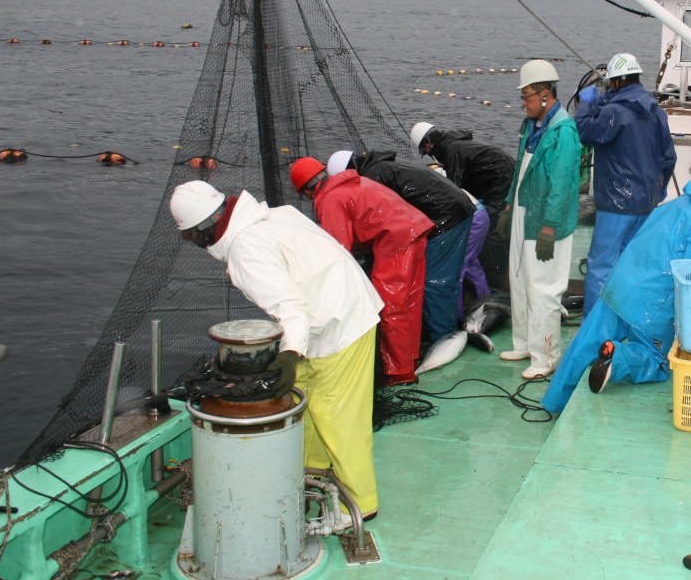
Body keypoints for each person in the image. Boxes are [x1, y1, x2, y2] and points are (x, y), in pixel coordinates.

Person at [170, 180, 383, 518]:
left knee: (339, 415)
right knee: (308, 400)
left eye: (194, 236)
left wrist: (289, 354)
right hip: (331, 310)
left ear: (205, 229)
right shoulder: (273, 215)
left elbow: (291, 306)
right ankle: (311, 470)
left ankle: (357, 505)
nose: (198, 243)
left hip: (342, 320)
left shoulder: (245, 248)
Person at [540, 158, 691, 414]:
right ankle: (616, 358)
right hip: (651, 304)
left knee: (584, 343)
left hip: (619, 286)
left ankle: (553, 403)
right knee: (658, 361)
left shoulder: (683, 202)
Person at [290, 157, 433, 386]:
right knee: (410, 302)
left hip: (395, 242)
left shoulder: (330, 198)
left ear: (306, 191)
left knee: (389, 305)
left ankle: (400, 372)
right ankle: (410, 358)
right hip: (416, 231)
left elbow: (339, 251)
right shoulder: (353, 182)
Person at [327, 149, 475, 342]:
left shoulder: (373, 176)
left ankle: (444, 338)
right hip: (452, 207)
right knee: (439, 278)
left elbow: (383, 220)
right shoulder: (381, 165)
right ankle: (444, 327)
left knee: (435, 281)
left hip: (446, 215)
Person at [575, 53, 677, 315]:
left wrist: (586, 101)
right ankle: (626, 322)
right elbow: (669, 158)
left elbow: (585, 132)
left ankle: (593, 331)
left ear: (616, 82)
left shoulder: (614, 112)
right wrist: (659, 188)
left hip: (615, 206)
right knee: (631, 265)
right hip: (646, 204)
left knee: (600, 267)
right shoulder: (657, 113)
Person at [501, 59, 581, 380]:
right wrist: (509, 206)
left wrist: (549, 226)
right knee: (519, 279)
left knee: (543, 287)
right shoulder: (531, 125)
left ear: (546, 95)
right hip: (524, 212)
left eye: (528, 96)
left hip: (546, 222)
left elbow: (561, 186)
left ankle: (546, 355)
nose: (524, 102)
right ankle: (524, 343)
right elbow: (520, 167)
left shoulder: (563, 132)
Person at [411, 123, 516, 292]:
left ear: (428, 144)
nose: (430, 155)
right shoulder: (454, 144)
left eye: (427, 150)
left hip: (501, 181)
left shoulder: (452, 152)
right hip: (499, 177)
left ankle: (498, 280)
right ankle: (495, 277)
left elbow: (455, 191)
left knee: (492, 231)